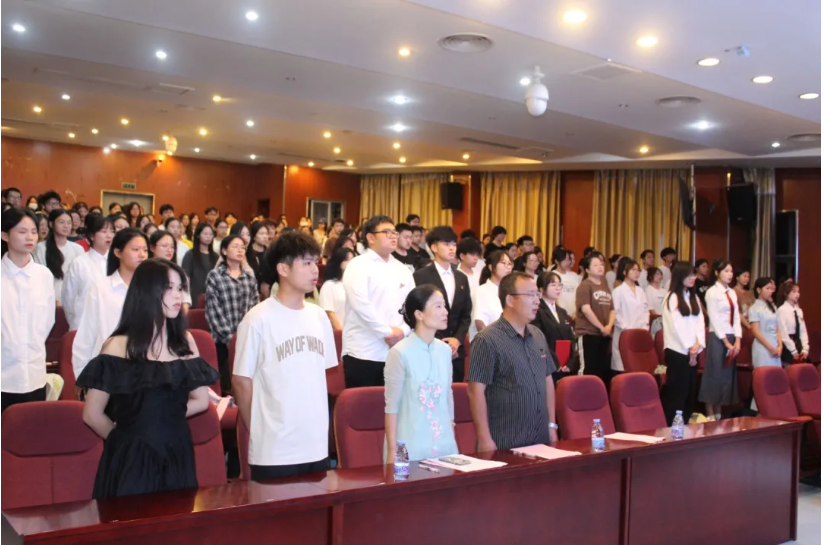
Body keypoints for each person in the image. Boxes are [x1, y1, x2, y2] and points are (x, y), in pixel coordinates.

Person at [77, 259, 218, 498]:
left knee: (178, 517)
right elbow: (91, 414)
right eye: (169, 287)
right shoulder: (117, 345)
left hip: (176, 451)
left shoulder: (185, 341)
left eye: (180, 288)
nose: (178, 295)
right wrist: (127, 438)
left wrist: (161, 418)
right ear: (147, 291)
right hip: (131, 457)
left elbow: (202, 401)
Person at [233, 232, 337, 480]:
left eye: (315, 262)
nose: (315, 270)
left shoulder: (319, 316)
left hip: (315, 444)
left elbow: (323, 374)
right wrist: (259, 430)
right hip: (275, 449)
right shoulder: (257, 318)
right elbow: (241, 381)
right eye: (307, 263)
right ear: (283, 269)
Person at [468, 272, 558, 451]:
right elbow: (475, 392)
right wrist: (484, 439)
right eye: (530, 295)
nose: (537, 301)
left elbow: (547, 380)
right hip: (505, 442)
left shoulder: (537, 335)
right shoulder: (486, 340)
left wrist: (551, 425)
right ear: (510, 299)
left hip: (541, 440)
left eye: (537, 294)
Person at [384, 285, 459, 463]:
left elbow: (447, 395)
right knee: (407, 480)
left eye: (444, 306)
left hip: (444, 445)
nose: (445, 312)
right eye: (438, 306)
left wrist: (451, 433)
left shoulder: (445, 351)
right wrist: (393, 452)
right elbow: (391, 407)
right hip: (408, 446)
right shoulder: (399, 352)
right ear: (419, 314)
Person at [341, 216, 414, 388]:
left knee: (396, 403)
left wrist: (403, 331)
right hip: (363, 352)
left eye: (394, 232)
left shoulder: (403, 269)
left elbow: (413, 305)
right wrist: (387, 333)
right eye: (386, 232)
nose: (393, 236)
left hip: (397, 350)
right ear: (370, 237)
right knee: (365, 403)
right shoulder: (357, 265)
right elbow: (360, 305)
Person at [73, 228, 148, 379]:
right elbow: (86, 336)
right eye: (135, 249)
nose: (142, 255)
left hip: (145, 370)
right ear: (118, 252)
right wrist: (82, 376)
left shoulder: (152, 288)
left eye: (145, 250)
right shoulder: (101, 288)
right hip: (109, 371)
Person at [1, 209, 56, 412]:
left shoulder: (44, 275)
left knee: (31, 427)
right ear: (4, 235)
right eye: (22, 231)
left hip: (35, 372)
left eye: (33, 231)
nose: (30, 237)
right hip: (3, 373)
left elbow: (47, 321)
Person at [413, 226, 472, 383]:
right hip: (429, 345)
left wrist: (457, 340)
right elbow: (419, 312)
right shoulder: (420, 276)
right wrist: (441, 343)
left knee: (454, 391)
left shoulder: (461, 278)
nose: (452, 248)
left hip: (456, 350)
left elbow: (466, 314)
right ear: (434, 247)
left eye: (454, 244)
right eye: (446, 244)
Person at [206, 235, 259, 394]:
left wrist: (245, 337)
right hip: (223, 342)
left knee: (247, 387)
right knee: (227, 388)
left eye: (242, 247)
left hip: (247, 340)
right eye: (235, 246)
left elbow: (255, 308)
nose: (240, 250)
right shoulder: (215, 276)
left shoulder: (249, 278)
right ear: (224, 251)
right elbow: (213, 311)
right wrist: (231, 338)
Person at [661, 261, 705, 424]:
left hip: (693, 351)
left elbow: (700, 323)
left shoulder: (694, 297)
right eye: (689, 275)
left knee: (689, 393)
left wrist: (698, 346)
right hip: (677, 352)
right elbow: (676, 327)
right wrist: (690, 350)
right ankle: (672, 428)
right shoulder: (671, 297)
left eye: (694, 274)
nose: (693, 278)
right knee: (677, 393)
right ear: (680, 276)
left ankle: (686, 427)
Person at [698, 260, 741, 421]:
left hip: (731, 335)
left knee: (726, 376)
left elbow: (736, 317)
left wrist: (737, 339)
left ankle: (719, 413)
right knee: (714, 374)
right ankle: (710, 414)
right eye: (726, 271)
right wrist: (726, 342)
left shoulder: (732, 292)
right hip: (717, 337)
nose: (730, 274)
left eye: (731, 271)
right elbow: (714, 318)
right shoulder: (712, 292)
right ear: (717, 273)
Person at [63, 214, 115, 330]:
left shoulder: (118, 263)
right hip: (83, 325)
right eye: (104, 231)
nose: (109, 235)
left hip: (110, 325)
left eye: (112, 231)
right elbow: (68, 299)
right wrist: (76, 322)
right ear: (91, 235)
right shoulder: (79, 263)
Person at [574, 253, 615, 388]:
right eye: (595, 265)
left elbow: (612, 309)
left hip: (604, 334)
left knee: (602, 371)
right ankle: (582, 397)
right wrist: (602, 327)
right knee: (588, 369)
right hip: (588, 333)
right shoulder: (585, 285)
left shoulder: (605, 286)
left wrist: (609, 326)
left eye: (601, 264)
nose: (600, 267)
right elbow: (586, 309)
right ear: (587, 269)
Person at [532, 270, 577, 380]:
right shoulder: (537, 310)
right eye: (553, 285)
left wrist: (570, 362)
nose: (558, 288)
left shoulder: (562, 312)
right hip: (547, 365)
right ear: (542, 289)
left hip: (565, 365)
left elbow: (571, 338)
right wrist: (555, 362)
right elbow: (538, 339)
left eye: (559, 284)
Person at [33, 209, 85, 304]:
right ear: (51, 224)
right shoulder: (41, 248)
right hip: (48, 299)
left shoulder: (78, 249)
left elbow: (81, 277)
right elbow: (39, 278)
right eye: (61, 222)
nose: (66, 226)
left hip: (72, 301)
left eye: (69, 223)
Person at [611, 259, 650, 373]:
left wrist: (644, 327)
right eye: (633, 270)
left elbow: (645, 310)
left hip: (639, 333)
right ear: (625, 272)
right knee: (623, 367)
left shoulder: (641, 291)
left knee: (638, 367)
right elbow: (615, 313)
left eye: (638, 270)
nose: (636, 272)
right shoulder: (618, 291)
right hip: (623, 333)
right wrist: (627, 328)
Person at [149, 230, 192, 314]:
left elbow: (185, 302)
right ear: (152, 248)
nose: (169, 250)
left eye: (172, 247)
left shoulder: (179, 272)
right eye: (164, 246)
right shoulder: (144, 271)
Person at [472, 250, 513, 338]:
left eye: (509, 263)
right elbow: (480, 323)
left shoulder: (512, 292)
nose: (508, 267)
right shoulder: (481, 291)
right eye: (503, 263)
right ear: (491, 267)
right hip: (488, 342)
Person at [748, 277, 783, 374]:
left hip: (775, 346)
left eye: (771, 289)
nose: (770, 291)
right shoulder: (754, 308)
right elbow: (756, 332)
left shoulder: (773, 307)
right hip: (763, 347)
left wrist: (780, 346)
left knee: (776, 376)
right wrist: (771, 348)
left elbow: (777, 329)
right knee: (763, 375)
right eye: (767, 288)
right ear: (759, 290)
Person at [319, 247, 355, 330]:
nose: (351, 263)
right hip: (338, 332)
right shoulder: (329, 285)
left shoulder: (355, 284)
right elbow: (330, 314)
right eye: (346, 259)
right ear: (338, 262)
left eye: (352, 259)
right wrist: (341, 333)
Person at [181, 223, 218, 305]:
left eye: (211, 234)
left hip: (212, 296)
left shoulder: (215, 256)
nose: (208, 236)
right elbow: (185, 277)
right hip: (194, 296)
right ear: (198, 235)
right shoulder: (190, 255)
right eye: (205, 234)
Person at [777, 282, 810, 363]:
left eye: (798, 292)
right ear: (786, 293)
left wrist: (805, 348)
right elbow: (783, 333)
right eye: (794, 292)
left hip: (798, 343)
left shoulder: (799, 310)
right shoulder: (782, 310)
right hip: (787, 345)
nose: (797, 294)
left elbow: (803, 330)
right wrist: (793, 350)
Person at [551, 247, 580, 320]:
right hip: (559, 314)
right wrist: (561, 312)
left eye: (568, 260)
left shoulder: (574, 276)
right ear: (557, 261)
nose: (567, 262)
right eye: (564, 260)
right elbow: (552, 297)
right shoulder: (552, 275)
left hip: (574, 315)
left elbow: (578, 295)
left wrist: (576, 313)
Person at [456, 237, 483, 301]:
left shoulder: (479, 275)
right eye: (472, 254)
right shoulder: (456, 276)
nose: (476, 258)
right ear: (462, 256)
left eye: (477, 255)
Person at [645, 267, 667, 338]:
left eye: (660, 274)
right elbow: (650, 308)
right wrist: (659, 318)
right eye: (657, 274)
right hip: (655, 321)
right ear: (651, 276)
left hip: (665, 319)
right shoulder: (648, 290)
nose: (659, 276)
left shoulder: (664, 291)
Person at [246, 222, 270, 288]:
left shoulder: (270, 252)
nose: (265, 236)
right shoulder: (247, 252)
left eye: (266, 233)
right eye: (261, 233)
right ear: (254, 236)